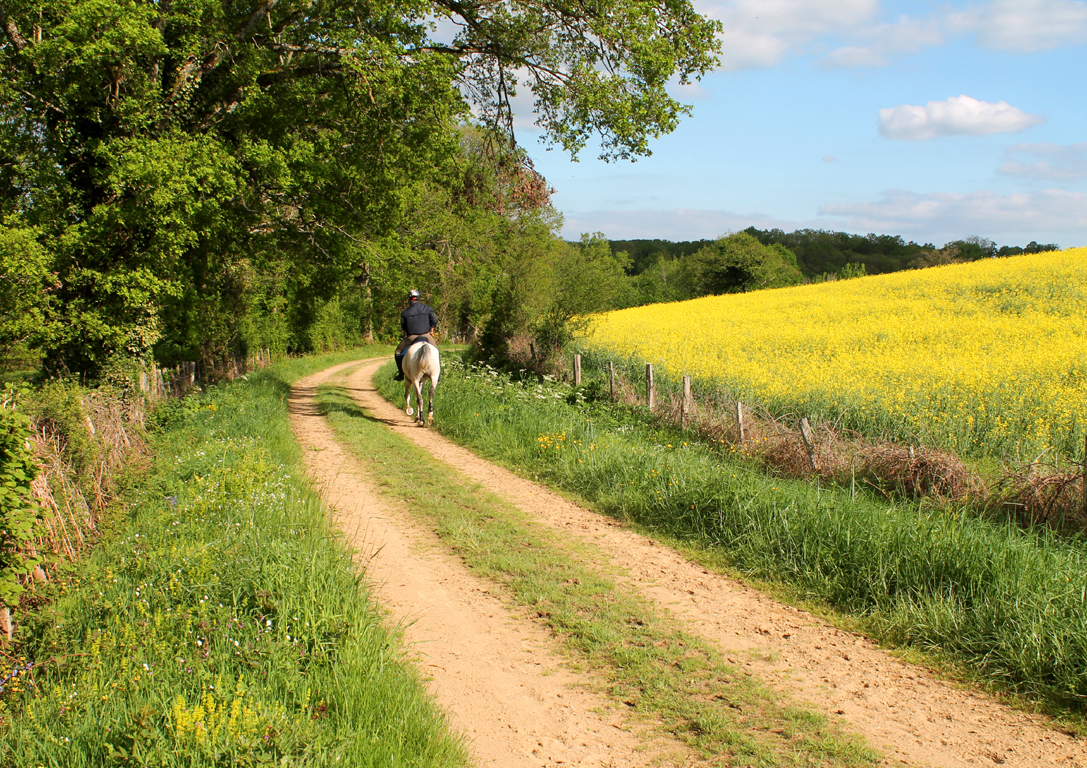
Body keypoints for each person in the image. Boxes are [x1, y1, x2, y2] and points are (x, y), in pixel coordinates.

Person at [393, 289, 438, 381]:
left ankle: (401, 374)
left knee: (398, 352)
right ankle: (438, 374)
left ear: (409, 299)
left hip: (411, 337)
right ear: (419, 298)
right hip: (426, 335)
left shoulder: (405, 312)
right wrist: (431, 331)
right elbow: (434, 321)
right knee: (436, 351)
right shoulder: (428, 309)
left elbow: (404, 327)